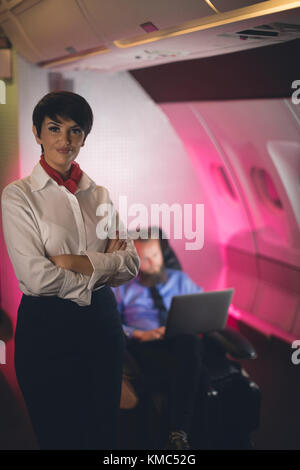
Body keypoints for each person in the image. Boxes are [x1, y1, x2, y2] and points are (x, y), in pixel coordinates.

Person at [1, 91, 140, 450]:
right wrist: (103, 267)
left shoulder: (101, 196)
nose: (65, 140)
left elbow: (131, 264)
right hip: (47, 328)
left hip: (102, 326)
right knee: (58, 433)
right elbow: (36, 277)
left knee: (104, 430)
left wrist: (72, 262)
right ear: (37, 133)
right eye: (54, 128)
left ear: (84, 138)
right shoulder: (18, 196)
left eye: (75, 131)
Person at [112, 227, 205, 450]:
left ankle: (177, 434)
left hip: (180, 343)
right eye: (144, 258)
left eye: (155, 255)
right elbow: (113, 326)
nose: (152, 262)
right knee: (197, 375)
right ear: (134, 260)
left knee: (189, 342)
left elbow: (203, 306)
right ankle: (180, 436)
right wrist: (139, 333)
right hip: (145, 345)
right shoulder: (122, 288)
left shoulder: (179, 279)